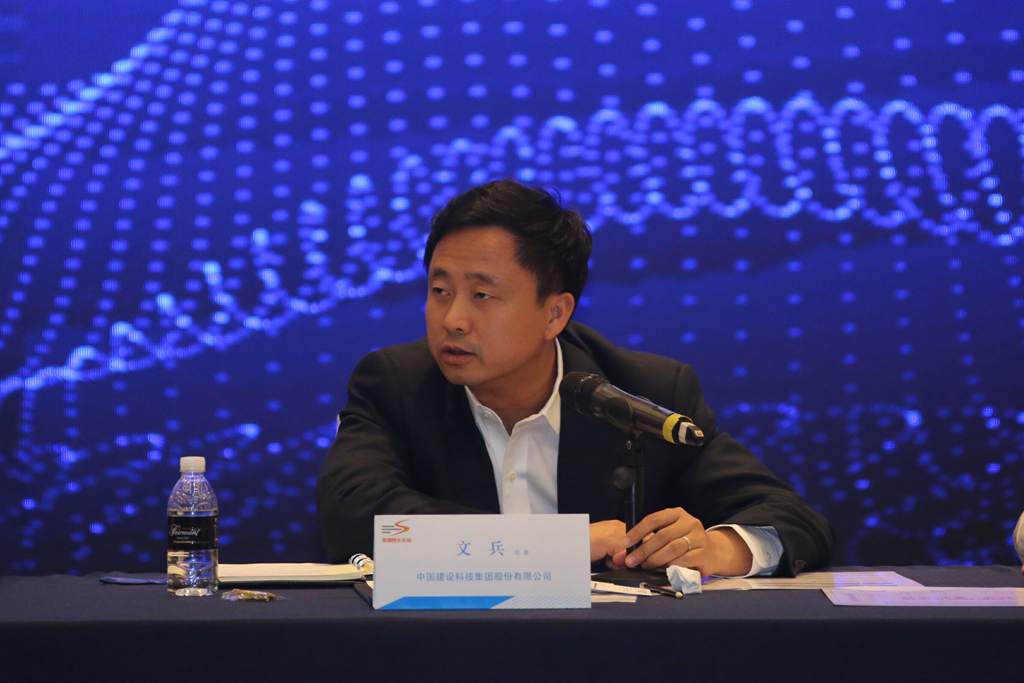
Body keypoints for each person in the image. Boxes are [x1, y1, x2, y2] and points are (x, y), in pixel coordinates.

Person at [317, 179, 835, 577]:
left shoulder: (643, 393)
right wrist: (555, 545)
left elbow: (793, 519)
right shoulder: (395, 384)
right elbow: (352, 516)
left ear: (555, 313)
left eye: (482, 295)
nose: (452, 319)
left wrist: (720, 547)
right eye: (440, 291)